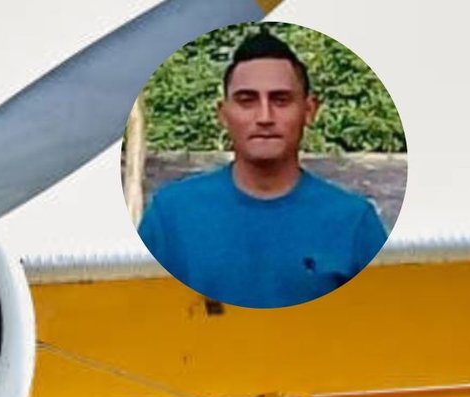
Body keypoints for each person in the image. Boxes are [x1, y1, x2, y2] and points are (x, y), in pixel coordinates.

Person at [137, 29, 388, 308]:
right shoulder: (171, 217)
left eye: (281, 100)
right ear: (223, 114)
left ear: (309, 111)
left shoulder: (354, 223)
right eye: (247, 101)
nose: (265, 117)